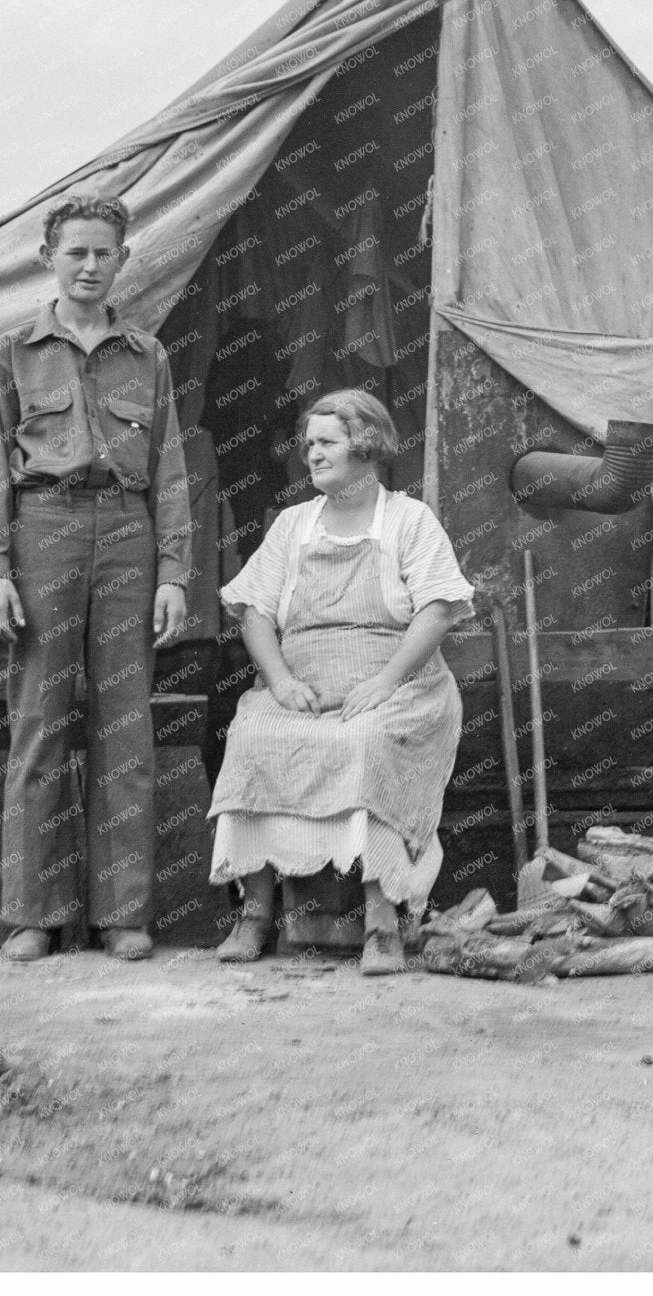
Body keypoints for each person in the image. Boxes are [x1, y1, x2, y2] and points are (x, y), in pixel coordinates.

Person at [0, 193, 190, 962]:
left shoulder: (147, 354)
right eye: (77, 253)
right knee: (40, 722)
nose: (91, 266)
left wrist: (173, 573)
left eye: (104, 253)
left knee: (124, 726)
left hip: (128, 534)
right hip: (45, 532)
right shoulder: (13, 351)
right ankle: (32, 915)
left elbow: (169, 468)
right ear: (49, 259)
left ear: (123, 259)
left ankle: (122, 913)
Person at [208, 389, 473, 975]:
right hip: (304, 686)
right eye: (309, 444)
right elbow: (254, 612)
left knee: (364, 743)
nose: (313, 454)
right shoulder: (293, 524)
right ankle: (255, 913)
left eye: (327, 442)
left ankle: (382, 922)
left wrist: (385, 681)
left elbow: (437, 610)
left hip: (399, 684)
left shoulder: (409, 519)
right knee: (251, 737)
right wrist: (279, 681)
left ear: (366, 445)